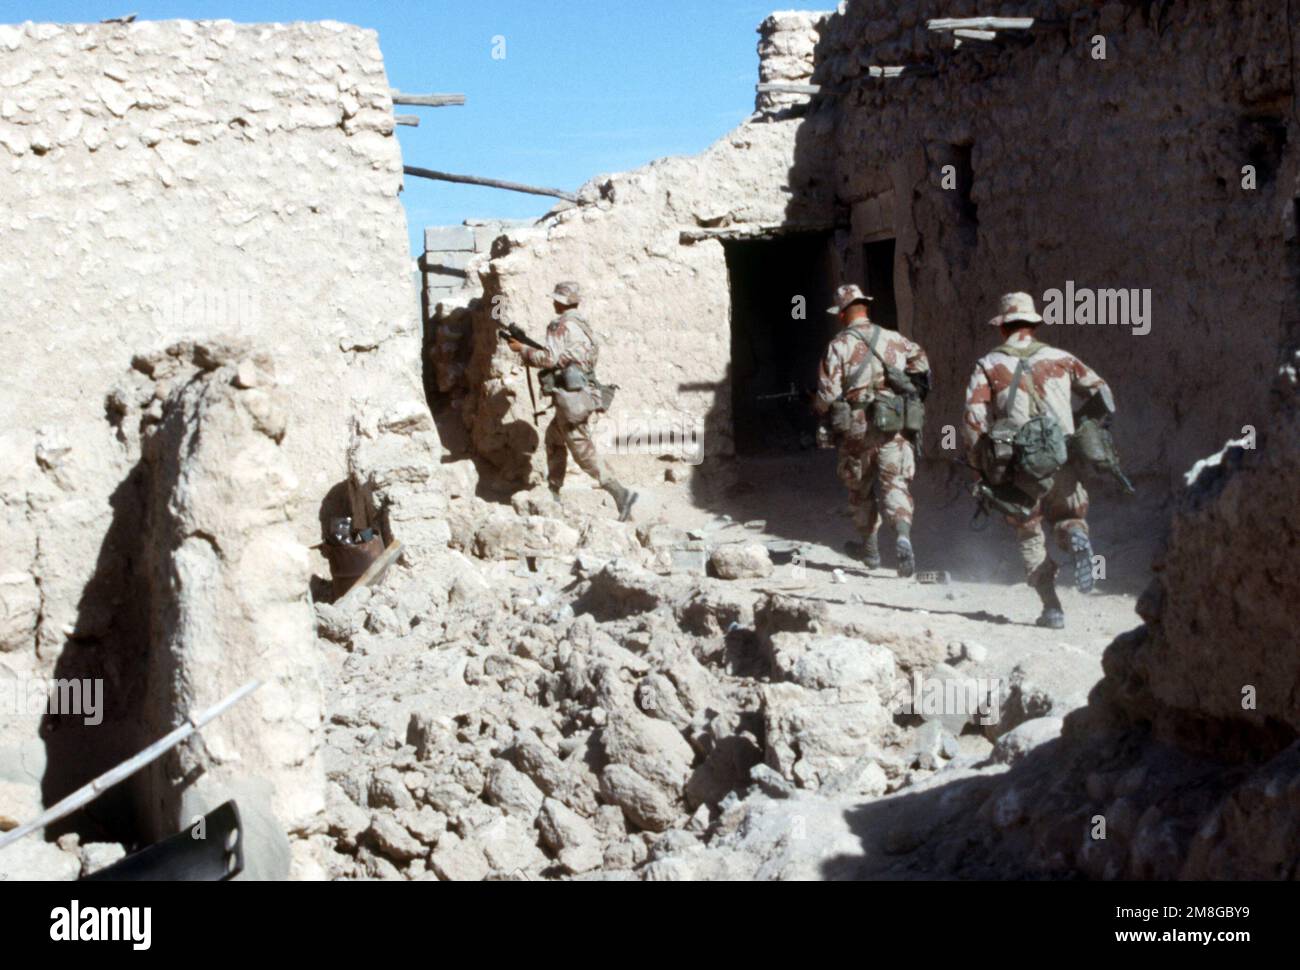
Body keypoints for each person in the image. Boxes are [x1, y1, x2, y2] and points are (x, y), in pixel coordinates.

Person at [961, 291, 1115, 628]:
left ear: (1002, 328)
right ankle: (1075, 534)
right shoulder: (1062, 358)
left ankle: (1052, 608)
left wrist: (981, 468)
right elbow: (1103, 394)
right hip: (1062, 456)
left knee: (1029, 532)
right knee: (1069, 514)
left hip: (1018, 467)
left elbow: (973, 421)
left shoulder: (988, 364)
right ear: (1032, 325)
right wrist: (1081, 426)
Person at [813, 284, 931, 576]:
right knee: (896, 484)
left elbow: (828, 396)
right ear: (866, 308)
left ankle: (870, 549)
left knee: (860, 489)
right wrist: (902, 390)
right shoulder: (895, 339)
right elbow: (922, 366)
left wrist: (819, 411)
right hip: (894, 422)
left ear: (842, 315)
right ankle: (902, 535)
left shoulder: (838, 346)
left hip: (858, 426)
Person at [506, 281, 638, 521]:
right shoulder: (581, 324)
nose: (553, 302)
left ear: (561, 301)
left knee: (582, 451)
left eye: (555, 299)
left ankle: (621, 495)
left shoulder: (560, 325)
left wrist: (522, 350)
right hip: (581, 394)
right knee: (554, 439)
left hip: (572, 400)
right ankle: (553, 492)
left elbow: (549, 359)